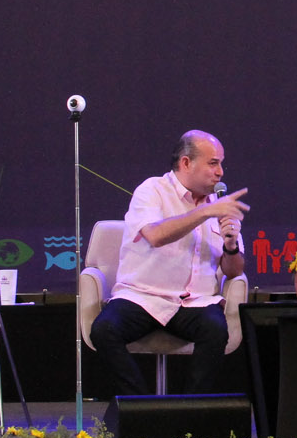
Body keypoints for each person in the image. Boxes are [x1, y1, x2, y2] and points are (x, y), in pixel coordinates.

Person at [89, 130, 248, 394]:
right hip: (142, 296)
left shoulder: (218, 205)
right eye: (213, 163)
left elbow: (234, 271)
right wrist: (204, 212)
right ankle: (141, 410)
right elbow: (155, 235)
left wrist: (231, 246)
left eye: (221, 163)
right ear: (186, 163)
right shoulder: (152, 191)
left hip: (194, 302)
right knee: (105, 330)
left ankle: (190, 416)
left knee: (215, 330)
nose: (220, 172)